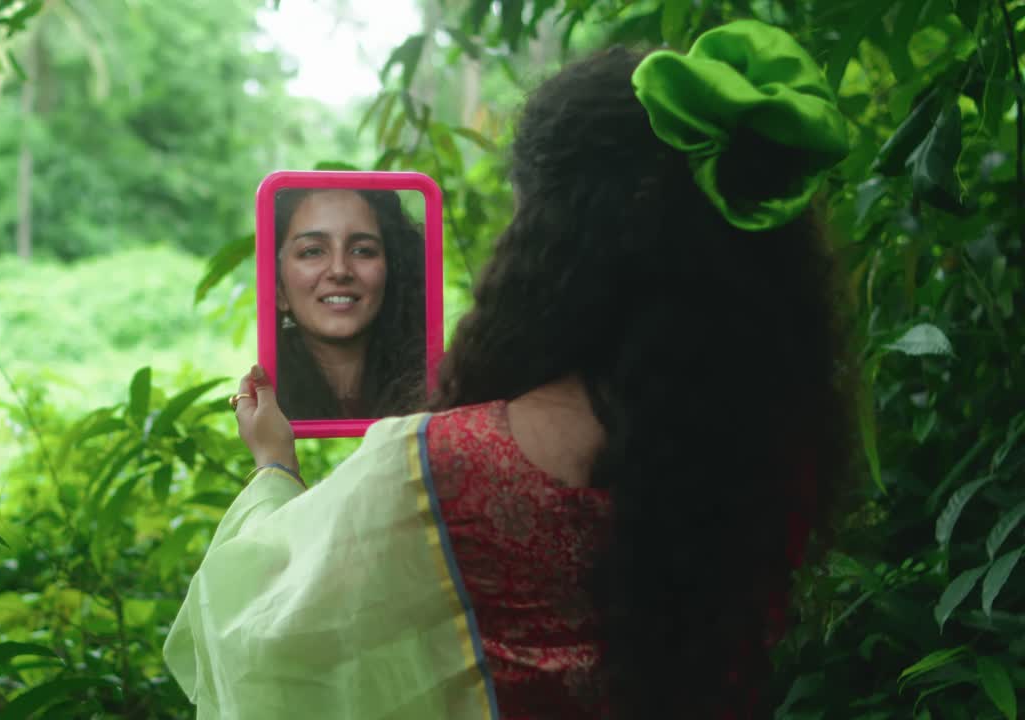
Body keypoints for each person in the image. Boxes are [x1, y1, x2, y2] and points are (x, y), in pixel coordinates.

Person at [165, 20, 857, 719]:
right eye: (311, 250)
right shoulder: (774, 437)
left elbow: (255, 625)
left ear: (548, 236)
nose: (339, 270)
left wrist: (274, 470)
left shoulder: (448, 464)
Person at [273, 187, 427, 420]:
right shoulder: (263, 406)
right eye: (313, 251)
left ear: (392, 273)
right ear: (279, 290)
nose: (340, 270)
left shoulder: (441, 392)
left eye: (362, 251)